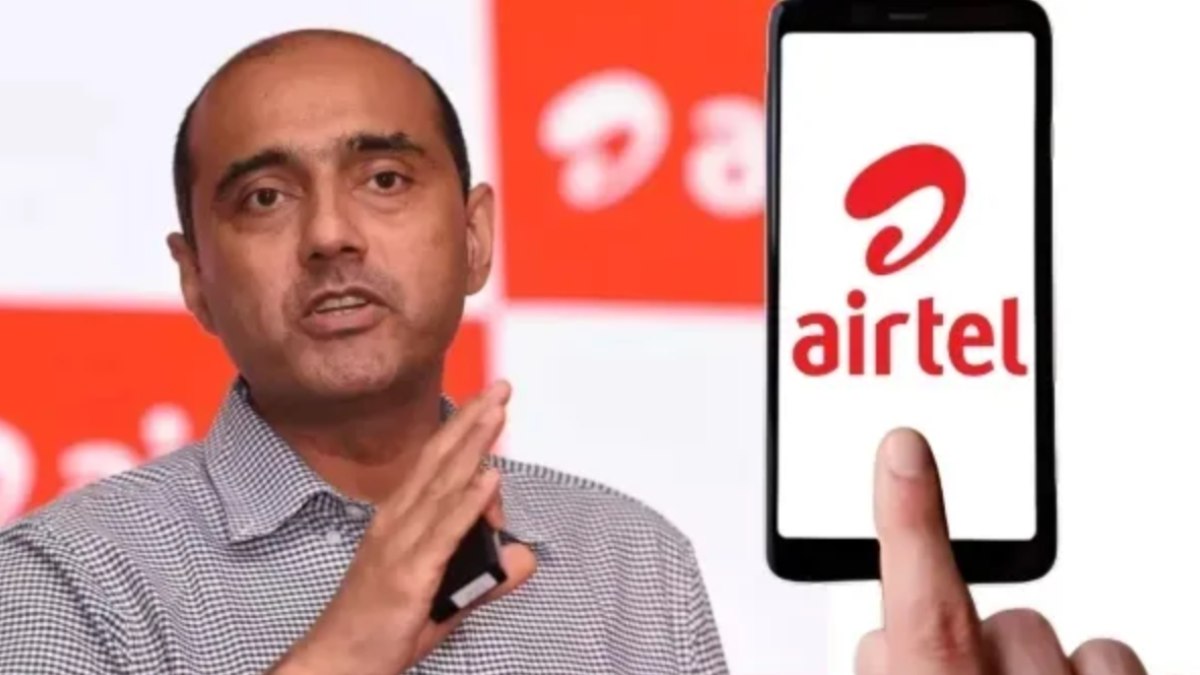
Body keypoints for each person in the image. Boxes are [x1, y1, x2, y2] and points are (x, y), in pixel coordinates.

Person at [0, 29, 1146, 675]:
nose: (332, 233)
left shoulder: (633, 561)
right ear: (195, 277)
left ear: (475, 238)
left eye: (385, 178)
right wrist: (346, 651)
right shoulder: (63, 581)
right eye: (264, 196)